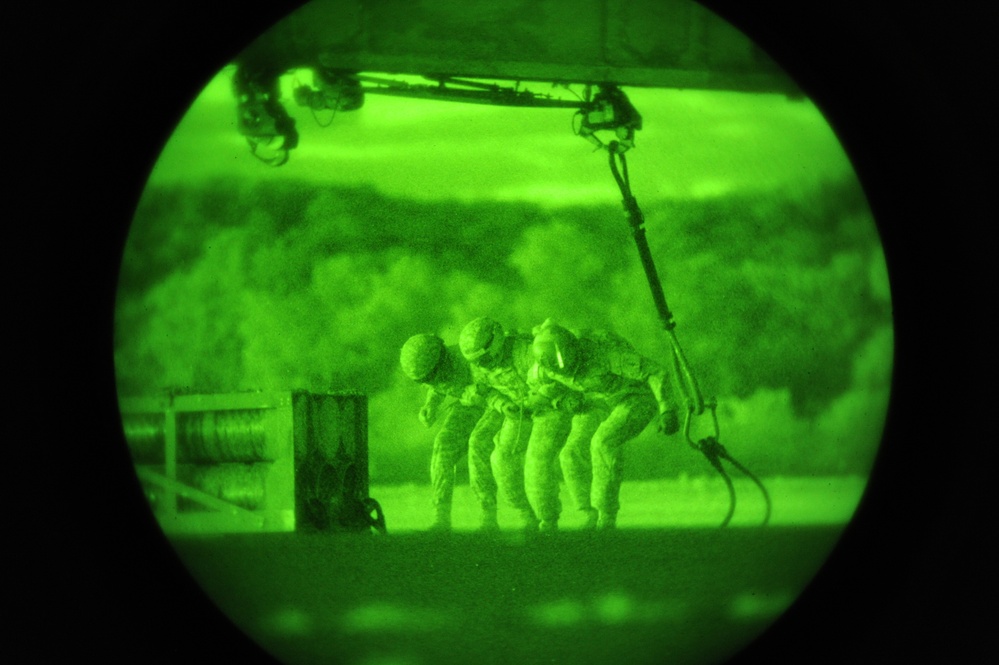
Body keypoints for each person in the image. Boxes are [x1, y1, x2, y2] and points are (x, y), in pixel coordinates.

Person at [530, 319, 682, 529]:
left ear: (574, 345)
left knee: (603, 442)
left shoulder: (604, 354)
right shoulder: (545, 369)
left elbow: (655, 372)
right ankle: (587, 513)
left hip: (634, 397)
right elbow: (540, 393)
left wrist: (667, 408)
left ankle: (606, 515)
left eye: (571, 355)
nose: (569, 365)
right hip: (595, 400)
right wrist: (561, 400)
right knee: (571, 453)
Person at [399, 333, 500, 531]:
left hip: (495, 404)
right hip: (467, 406)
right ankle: (441, 516)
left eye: (433, 375)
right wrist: (431, 405)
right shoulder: (435, 372)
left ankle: (488, 515)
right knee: (442, 446)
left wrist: (476, 393)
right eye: (426, 379)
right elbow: (438, 387)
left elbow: (496, 384)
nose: (432, 381)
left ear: (442, 359)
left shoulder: (468, 356)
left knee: (477, 445)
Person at [458, 317, 542, 531]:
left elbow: (549, 381)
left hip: (536, 408)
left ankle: (526, 512)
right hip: (507, 406)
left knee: (503, 457)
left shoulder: (525, 352)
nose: (480, 365)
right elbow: (485, 390)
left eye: (483, 360)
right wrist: (501, 404)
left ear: (495, 343)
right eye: (476, 362)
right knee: (477, 442)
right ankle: (488, 511)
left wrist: (527, 404)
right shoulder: (479, 363)